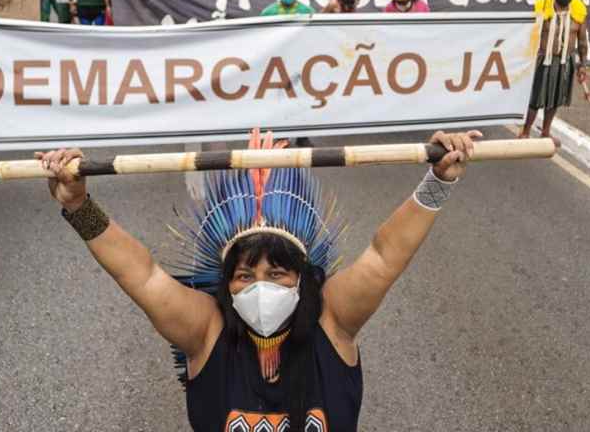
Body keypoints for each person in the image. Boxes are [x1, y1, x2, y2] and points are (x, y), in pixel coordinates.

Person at [35, 126, 481, 430]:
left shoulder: (332, 319)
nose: (259, 286)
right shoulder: (206, 330)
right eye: (244, 275)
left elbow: (385, 257)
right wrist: (77, 205)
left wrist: (439, 180)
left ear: (302, 278)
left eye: (277, 273)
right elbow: (143, 275)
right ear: (226, 284)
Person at [520, 0, 589, 139]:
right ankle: (525, 131)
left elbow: (582, 41)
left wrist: (582, 64)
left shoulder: (578, 13)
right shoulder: (543, 10)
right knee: (536, 98)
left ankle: (545, 132)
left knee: (555, 99)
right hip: (543, 60)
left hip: (565, 62)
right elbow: (528, 35)